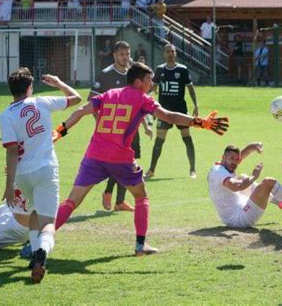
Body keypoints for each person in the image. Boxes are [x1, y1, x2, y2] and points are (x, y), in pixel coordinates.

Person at [52, 62, 228, 256]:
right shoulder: (143, 99)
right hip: (120, 159)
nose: (152, 83)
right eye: (149, 80)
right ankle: (140, 245)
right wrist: (200, 123)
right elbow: (169, 116)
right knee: (141, 196)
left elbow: (80, 112)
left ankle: (41, 240)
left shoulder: (108, 94)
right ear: (138, 82)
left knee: (72, 201)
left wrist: (59, 132)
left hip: (94, 155)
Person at [0, 68, 82, 283]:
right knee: (48, 223)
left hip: (22, 175)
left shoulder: (5, 115)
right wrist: (59, 83)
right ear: (30, 88)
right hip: (45, 170)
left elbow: (11, 150)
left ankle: (35, 253)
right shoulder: (42, 101)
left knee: (34, 214)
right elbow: (76, 98)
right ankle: (43, 252)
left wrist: (9, 186)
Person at [89, 41, 149, 212]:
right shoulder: (105, 75)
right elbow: (91, 101)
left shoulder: (132, 76)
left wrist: (145, 126)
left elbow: (138, 104)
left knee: (128, 163)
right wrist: (102, 125)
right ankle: (108, 192)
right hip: (113, 132)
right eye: (122, 54)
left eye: (127, 54)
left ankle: (120, 202)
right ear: (114, 55)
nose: (125, 57)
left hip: (131, 130)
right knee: (117, 163)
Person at [207, 143, 282, 228]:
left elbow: (238, 158)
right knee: (268, 182)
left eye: (237, 159)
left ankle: (279, 201)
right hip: (239, 219)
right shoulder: (220, 173)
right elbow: (237, 186)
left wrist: (251, 147)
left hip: (234, 211)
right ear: (223, 157)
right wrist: (254, 177)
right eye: (231, 159)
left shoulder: (219, 167)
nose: (235, 162)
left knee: (242, 176)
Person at [144, 44, 199, 179]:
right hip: (163, 112)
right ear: (164, 54)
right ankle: (151, 170)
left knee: (186, 138)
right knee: (159, 141)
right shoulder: (159, 70)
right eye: (167, 51)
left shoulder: (182, 70)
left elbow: (190, 89)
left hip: (180, 110)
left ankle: (192, 170)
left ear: (176, 54)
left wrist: (196, 105)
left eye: (172, 51)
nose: (170, 53)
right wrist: (147, 98)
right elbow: (153, 88)